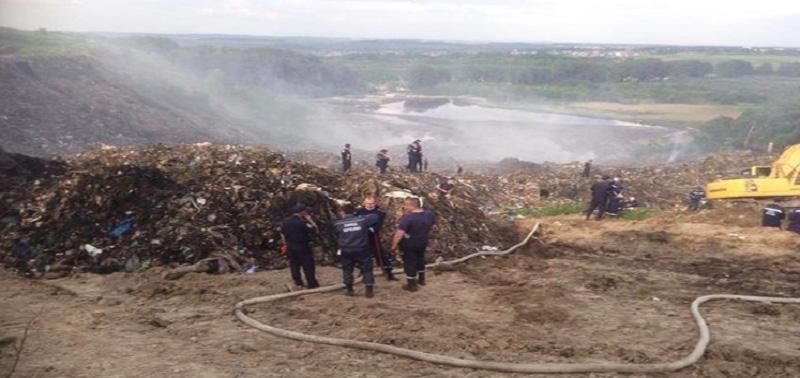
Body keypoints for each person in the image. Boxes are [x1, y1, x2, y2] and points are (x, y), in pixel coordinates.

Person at [334, 203, 380, 298]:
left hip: (346, 250)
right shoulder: (362, 220)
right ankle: (369, 291)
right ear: (354, 211)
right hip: (362, 248)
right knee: (367, 269)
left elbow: (333, 232)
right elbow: (375, 216)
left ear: (343, 212)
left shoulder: (338, 223)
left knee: (347, 270)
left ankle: (349, 290)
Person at [391, 197, 436, 292]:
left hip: (410, 242)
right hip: (423, 239)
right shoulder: (429, 214)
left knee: (410, 262)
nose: (405, 207)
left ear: (411, 205)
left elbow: (399, 234)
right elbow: (432, 225)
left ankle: (411, 285)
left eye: (406, 205)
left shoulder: (408, 219)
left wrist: (394, 245)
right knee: (420, 258)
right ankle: (421, 279)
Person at [355, 196, 396, 281]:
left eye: (372, 203)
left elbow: (379, 224)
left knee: (380, 254)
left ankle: (389, 273)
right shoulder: (359, 212)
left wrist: (372, 229)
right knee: (363, 255)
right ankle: (363, 272)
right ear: (364, 203)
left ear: (375, 203)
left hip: (374, 236)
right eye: (368, 203)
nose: (370, 205)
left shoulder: (379, 213)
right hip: (362, 236)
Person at [280, 203, 320, 288]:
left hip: (291, 246)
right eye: (305, 211)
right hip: (302, 246)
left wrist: (285, 244)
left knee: (294, 265)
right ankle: (312, 283)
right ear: (302, 212)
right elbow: (315, 230)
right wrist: (310, 220)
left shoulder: (285, 222)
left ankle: (298, 283)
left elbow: (282, 234)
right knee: (308, 265)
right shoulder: (302, 223)